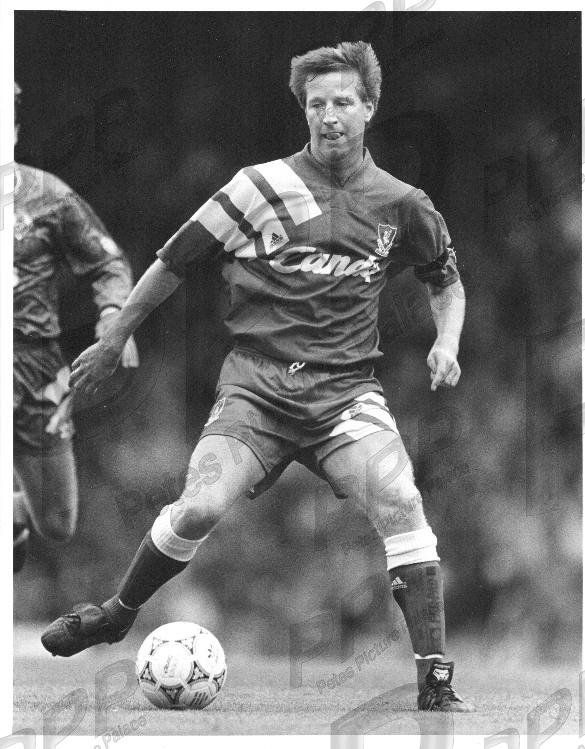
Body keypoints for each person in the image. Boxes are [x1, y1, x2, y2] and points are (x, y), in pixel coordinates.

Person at [41, 43, 473, 712]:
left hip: (344, 393)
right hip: (257, 389)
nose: (329, 116)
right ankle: (117, 614)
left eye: (343, 102)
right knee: (200, 506)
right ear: (304, 111)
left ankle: (434, 679)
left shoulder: (401, 203)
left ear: (368, 108)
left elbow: (445, 281)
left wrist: (446, 340)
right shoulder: (257, 187)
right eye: (316, 103)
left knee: (399, 501)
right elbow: (172, 262)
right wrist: (116, 335)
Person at [13, 82, 139, 573]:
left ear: (14, 130)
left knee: (58, 521)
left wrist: (113, 317)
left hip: (36, 366)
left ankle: (14, 511)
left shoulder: (48, 196)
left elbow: (107, 263)